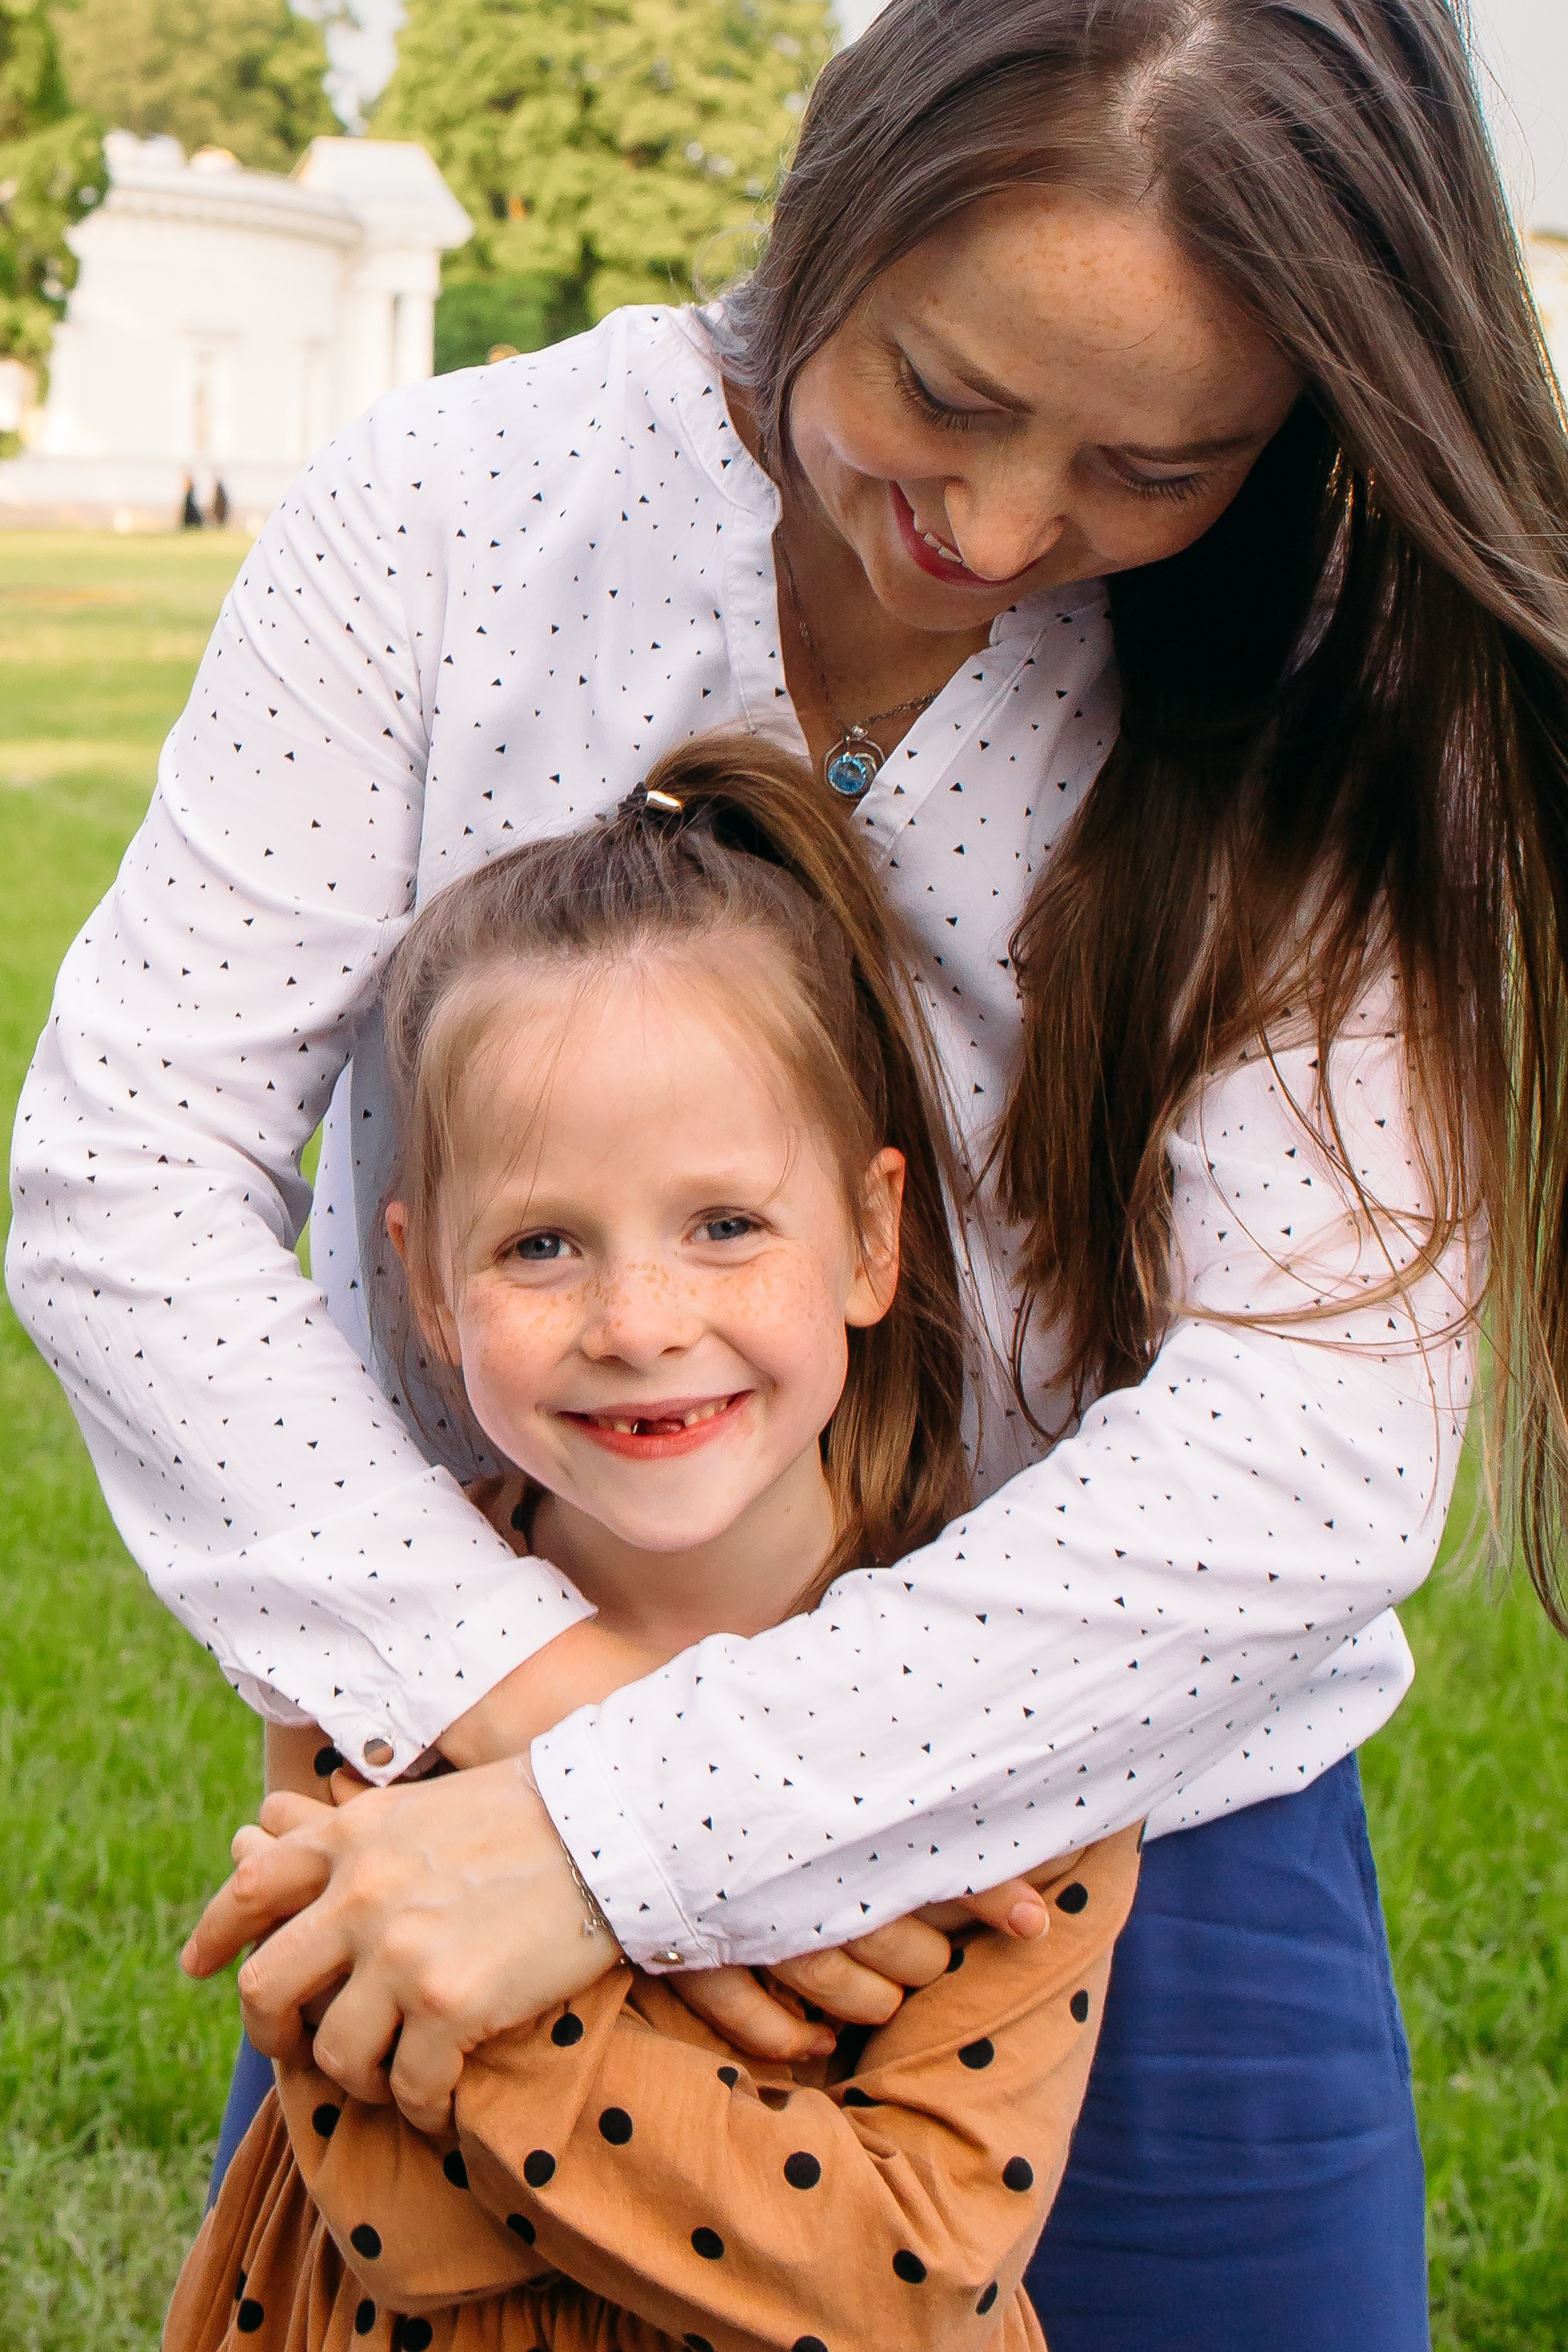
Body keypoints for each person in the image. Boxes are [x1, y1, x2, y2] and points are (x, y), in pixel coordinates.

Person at [10, 2, 1564, 2343]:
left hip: (1143, 1832)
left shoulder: (1335, 676)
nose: (1002, 526)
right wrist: (535, 1739)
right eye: (943, 393)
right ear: (837, 195)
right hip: (458, 1791)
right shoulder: (447, 516)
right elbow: (127, 1168)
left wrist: (636, 1838)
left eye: (1152, 464)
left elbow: (1306, 1434)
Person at [164, 735, 1143, 2352]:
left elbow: (911, 2269)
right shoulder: (382, 1636)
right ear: (422, 1282)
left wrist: (476, 1986)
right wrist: (746, 2124)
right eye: (541, 1242)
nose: (637, 1322)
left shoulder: (995, 1702)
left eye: (725, 1224)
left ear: (873, 1233)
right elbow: (390, 2220)